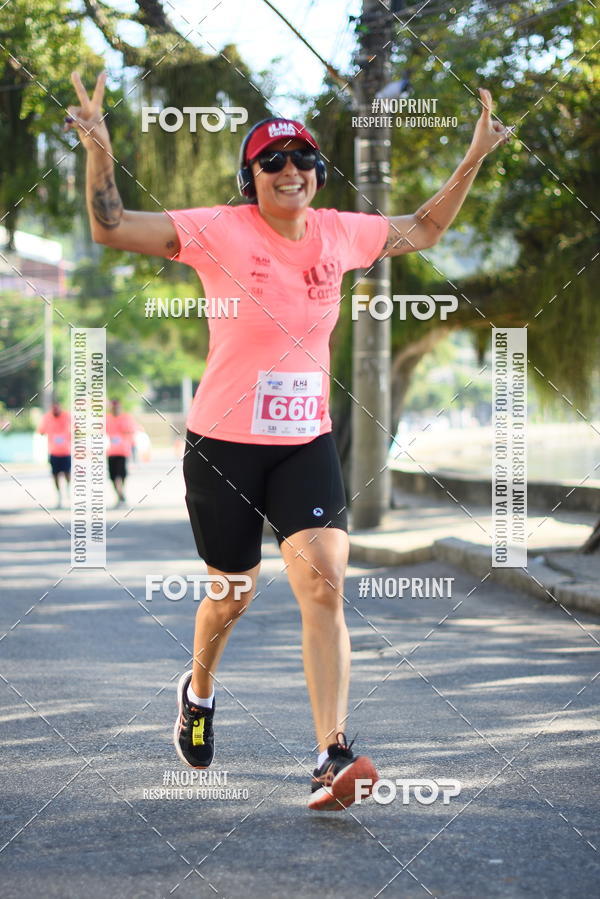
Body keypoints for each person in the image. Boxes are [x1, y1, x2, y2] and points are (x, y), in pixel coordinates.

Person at [67, 70, 511, 811]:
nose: (289, 170)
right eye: (271, 161)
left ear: (318, 172)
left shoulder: (342, 230)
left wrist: (474, 155)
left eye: (302, 158)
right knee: (231, 595)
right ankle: (199, 690)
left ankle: (328, 753)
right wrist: (100, 149)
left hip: (305, 441)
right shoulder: (218, 229)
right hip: (223, 445)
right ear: (252, 178)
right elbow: (110, 226)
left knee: (323, 583)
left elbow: (427, 228)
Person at [38, 400, 71, 509]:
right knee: (55, 475)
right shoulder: (47, 418)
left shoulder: (67, 416)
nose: (55, 410)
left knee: (67, 473)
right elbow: (41, 431)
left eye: (57, 408)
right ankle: (59, 495)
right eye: (53, 408)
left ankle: (68, 489)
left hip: (66, 452)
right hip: (53, 452)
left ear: (60, 407)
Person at [106, 398, 137, 505]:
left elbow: (132, 430)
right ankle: (120, 494)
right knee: (113, 476)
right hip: (111, 452)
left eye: (117, 407)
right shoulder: (107, 419)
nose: (115, 409)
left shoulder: (126, 418)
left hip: (123, 452)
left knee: (121, 475)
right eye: (113, 407)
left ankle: (121, 494)